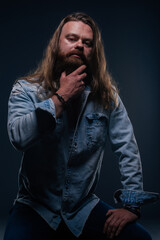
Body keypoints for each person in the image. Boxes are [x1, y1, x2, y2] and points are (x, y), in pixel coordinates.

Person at [4, 12, 159, 240]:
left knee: (140, 239)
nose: (79, 45)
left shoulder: (108, 97)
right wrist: (60, 97)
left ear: (93, 52)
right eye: (72, 38)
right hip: (35, 208)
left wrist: (131, 206)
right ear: (57, 44)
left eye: (87, 43)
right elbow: (18, 137)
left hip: (83, 209)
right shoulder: (25, 89)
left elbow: (127, 149)